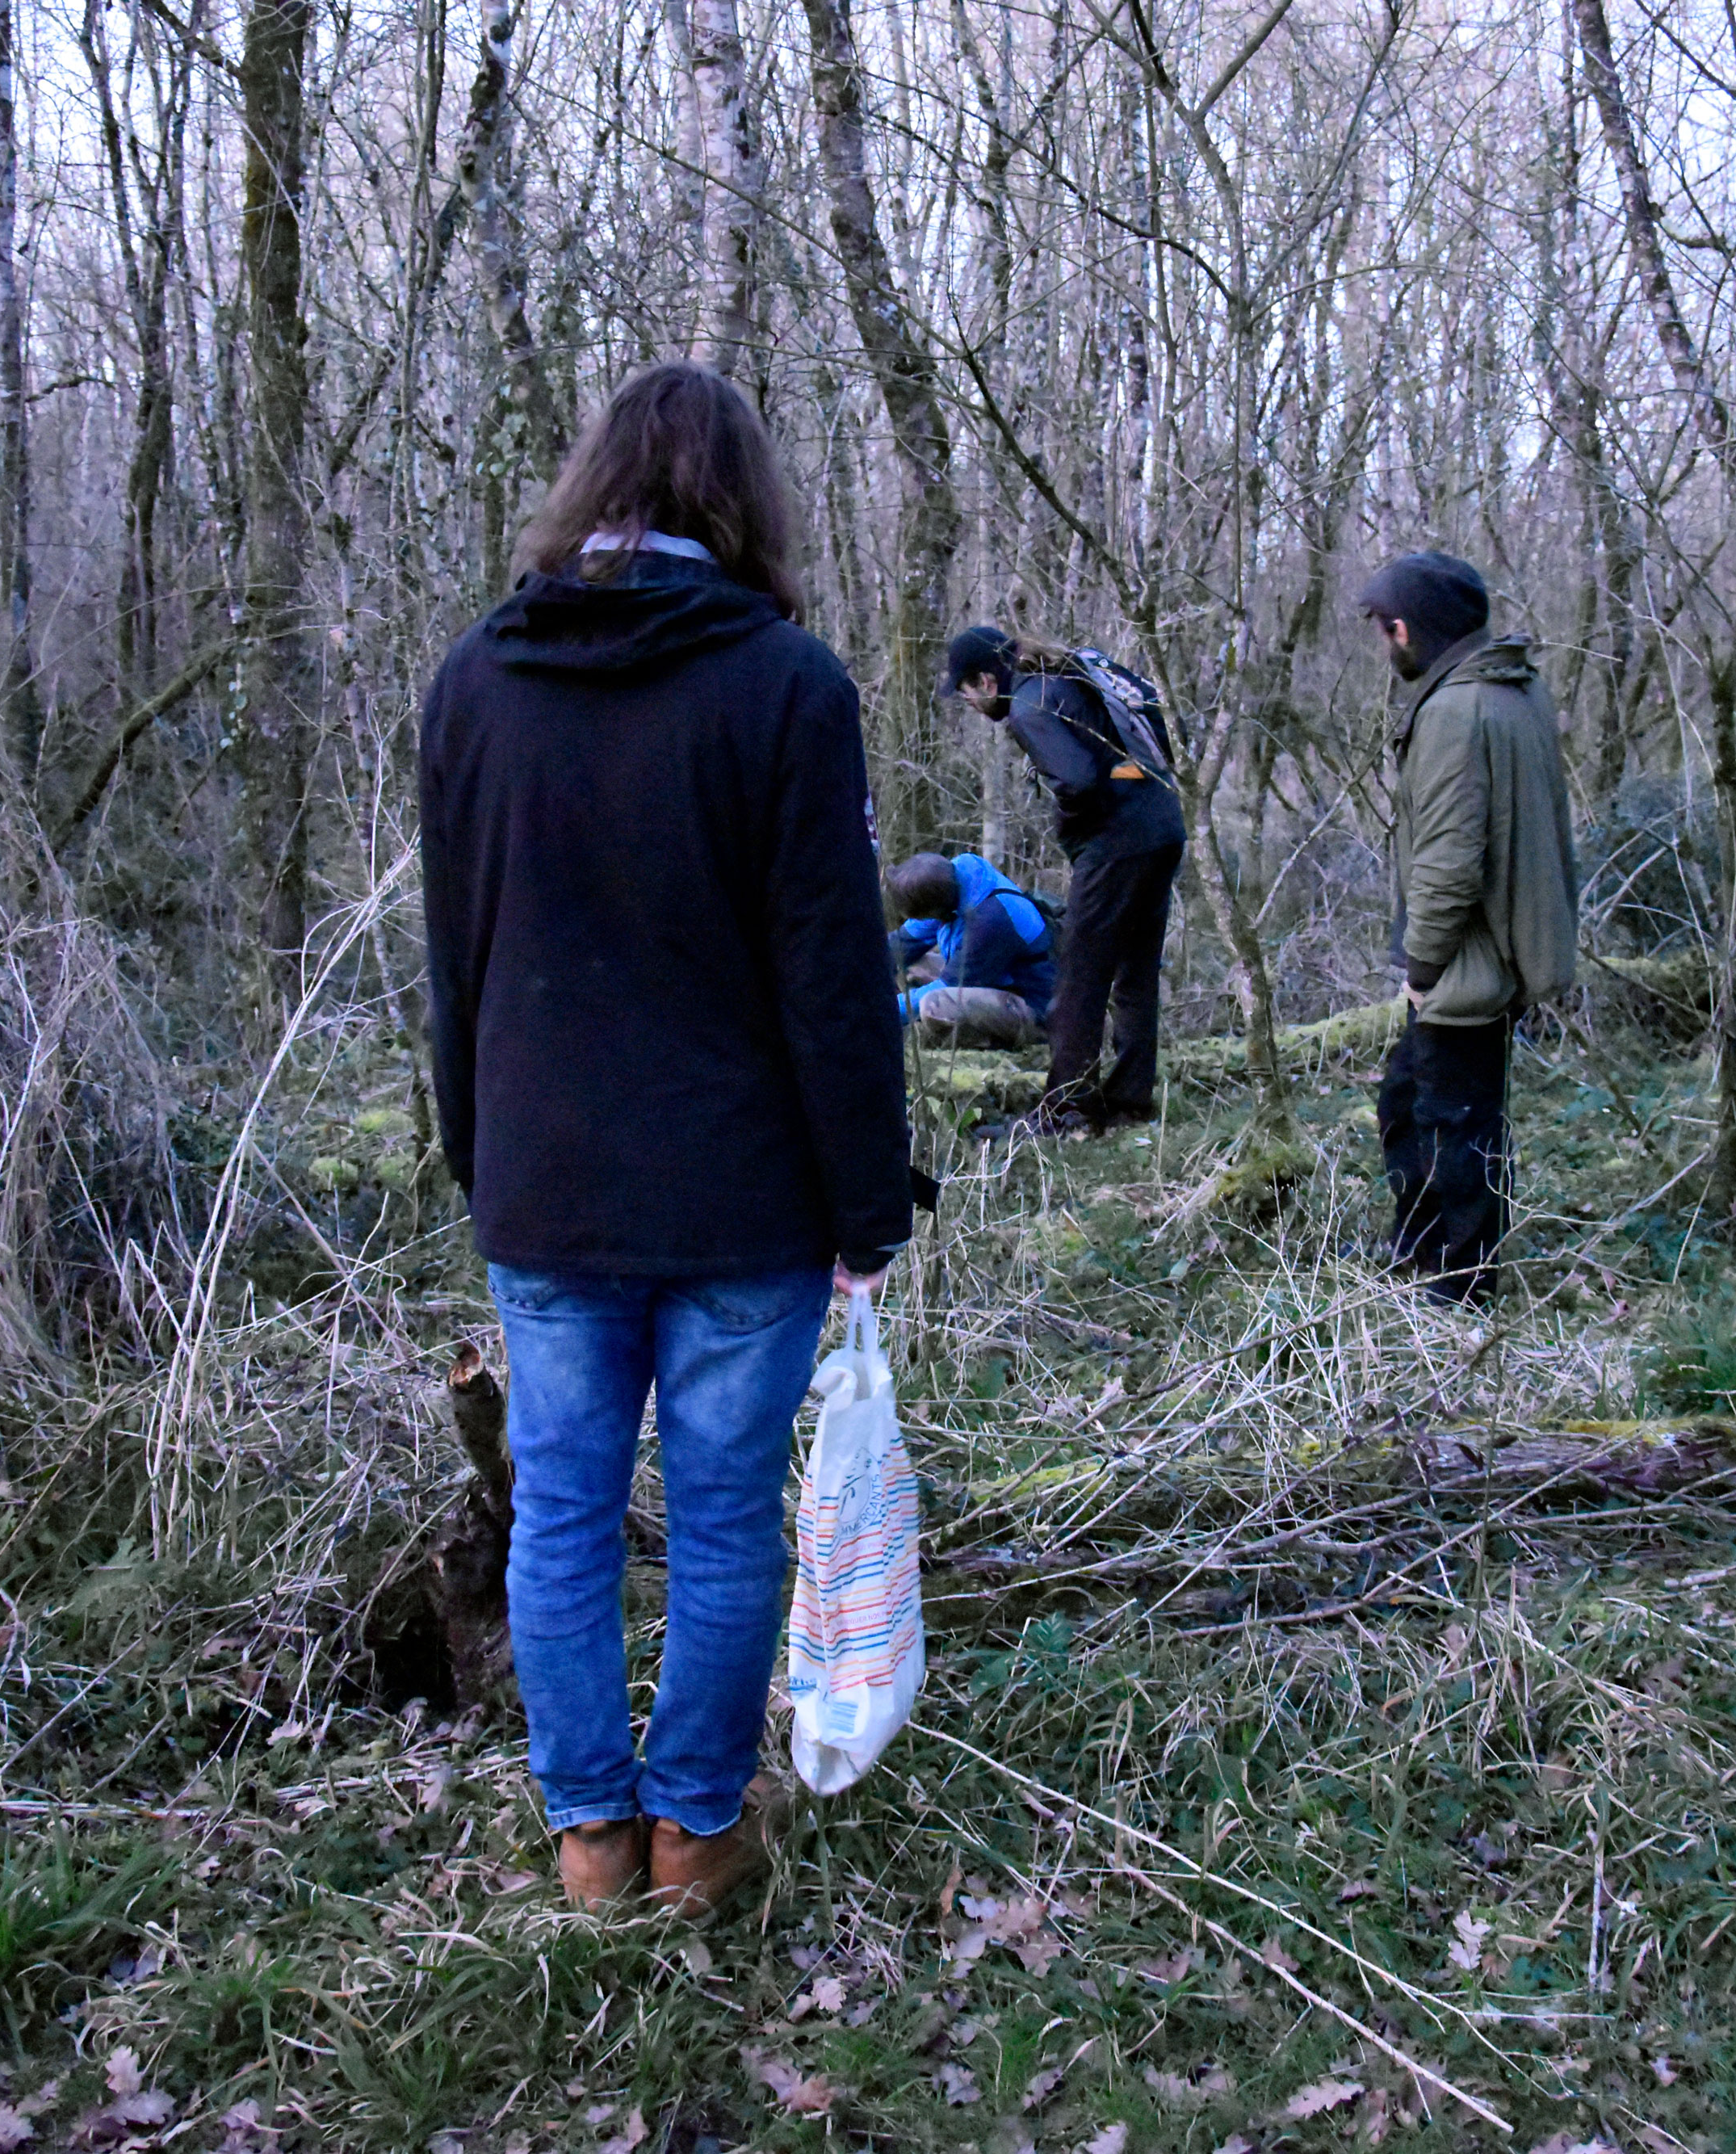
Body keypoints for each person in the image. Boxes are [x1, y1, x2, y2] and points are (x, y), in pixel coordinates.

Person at [418, 362, 912, 1917]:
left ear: (594, 488)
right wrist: (867, 1202)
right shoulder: (788, 686)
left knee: (563, 1513)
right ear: (743, 502)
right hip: (742, 1196)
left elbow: (455, 961)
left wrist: (480, 1156)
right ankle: (693, 1831)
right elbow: (836, 981)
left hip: (549, 1181)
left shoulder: (477, 680)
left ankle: (592, 1843)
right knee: (719, 1518)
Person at [1358, 551, 1577, 1301]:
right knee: (1407, 1102)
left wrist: (1421, 968)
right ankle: (1418, 1250)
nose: (1384, 647)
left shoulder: (1458, 710)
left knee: (1458, 1121)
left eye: (1385, 632)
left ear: (1405, 629)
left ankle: (1461, 1285)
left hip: (1470, 958)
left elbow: (1450, 862)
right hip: (1499, 943)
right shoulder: (1513, 685)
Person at [945, 626, 1186, 1134]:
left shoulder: (1028, 708)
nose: (967, 702)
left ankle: (1067, 1110)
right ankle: (1129, 1103)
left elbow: (1078, 779)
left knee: (1078, 975)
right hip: (1162, 825)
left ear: (986, 680)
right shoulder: (1064, 678)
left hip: (1117, 842)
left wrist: (1075, 824)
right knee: (1136, 971)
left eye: (964, 691)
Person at [887, 850, 1054, 1049]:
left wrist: (879, 1011)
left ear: (935, 909)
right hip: (990, 982)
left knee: (935, 1006)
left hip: (1033, 1009)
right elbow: (900, 945)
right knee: (912, 965)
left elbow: (949, 986)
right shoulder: (948, 883)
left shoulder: (992, 921)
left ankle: (1003, 1045)